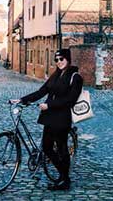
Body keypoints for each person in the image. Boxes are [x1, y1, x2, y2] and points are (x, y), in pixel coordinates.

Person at [12, 48, 82, 191]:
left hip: (62, 118)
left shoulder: (75, 77)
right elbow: (42, 91)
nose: (59, 62)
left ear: (68, 59)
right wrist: (22, 99)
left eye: (61, 59)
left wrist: (49, 104)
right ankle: (62, 175)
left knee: (62, 149)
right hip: (50, 117)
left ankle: (65, 180)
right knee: (47, 148)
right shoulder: (55, 75)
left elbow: (70, 100)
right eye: (56, 60)